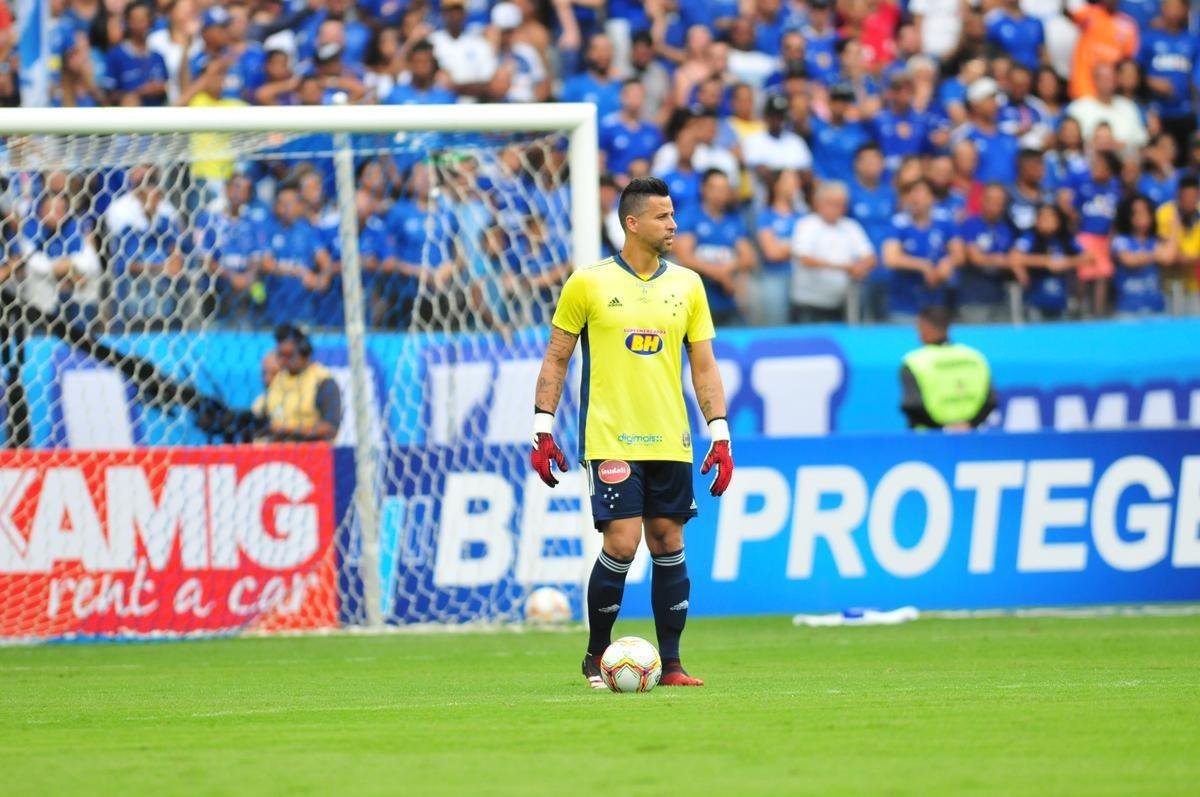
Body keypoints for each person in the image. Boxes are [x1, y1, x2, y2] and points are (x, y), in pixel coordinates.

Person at [529, 176, 732, 689]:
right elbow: (557, 356)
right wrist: (542, 426)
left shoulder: (688, 285)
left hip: (671, 437)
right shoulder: (588, 283)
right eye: (663, 216)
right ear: (632, 222)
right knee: (622, 542)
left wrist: (721, 433)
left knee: (668, 539)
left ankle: (673, 663)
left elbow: (704, 367)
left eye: (673, 214)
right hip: (610, 435)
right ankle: (597, 653)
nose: (674, 225)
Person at [672, 169, 755, 325]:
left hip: (728, 301)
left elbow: (748, 257)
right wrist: (719, 273)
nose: (719, 194)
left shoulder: (734, 219)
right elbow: (684, 257)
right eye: (714, 188)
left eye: (723, 189)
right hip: (696, 301)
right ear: (703, 188)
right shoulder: (689, 216)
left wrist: (726, 270)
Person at [899, 305, 997, 431]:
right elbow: (991, 401)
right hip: (970, 438)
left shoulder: (914, 362)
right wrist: (969, 425)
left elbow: (912, 406)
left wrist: (944, 429)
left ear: (925, 327)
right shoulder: (975, 358)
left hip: (928, 441)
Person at [789, 181, 876, 322]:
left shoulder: (851, 226)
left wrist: (861, 267)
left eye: (841, 204)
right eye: (832, 203)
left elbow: (870, 256)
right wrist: (844, 267)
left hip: (841, 303)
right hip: (809, 304)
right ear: (818, 203)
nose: (838, 209)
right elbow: (805, 259)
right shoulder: (807, 225)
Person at [259, 323, 341, 443]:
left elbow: (330, 428)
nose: (283, 361)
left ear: (304, 352)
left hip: (312, 451)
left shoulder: (322, 381)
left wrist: (287, 430)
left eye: (289, 355)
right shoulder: (277, 379)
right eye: (280, 355)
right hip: (277, 450)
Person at [1013, 203, 1090, 321]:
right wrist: (1045, 262)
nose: (1045, 221)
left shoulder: (1065, 238)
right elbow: (1015, 257)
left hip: (1062, 302)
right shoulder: (1030, 237)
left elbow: (1088, 257)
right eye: (1042, 217)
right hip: (1036, 301)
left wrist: (1065, 262)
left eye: (1050, 217)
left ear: (1058, 220)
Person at [959, 183, 1022, 323]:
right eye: (991, 200)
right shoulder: (970, 224)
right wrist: (1005, 261)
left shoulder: (1008, 228)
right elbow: (975, 258)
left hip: (1000, 297)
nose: (995, 204)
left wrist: (995, 259)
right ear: (982, 200)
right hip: (973, 299)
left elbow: (1017, 258)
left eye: (1000, 201)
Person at [1111, 194, 1169, 317]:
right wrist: (1153, 255)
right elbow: (1129, 261)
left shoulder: (1155, 241)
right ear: (1128, 216)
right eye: (1136, 213)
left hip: (1156, 309)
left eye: (1145, 212)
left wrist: (1175, 224)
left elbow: (1167, 257)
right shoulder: (1121, 240)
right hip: (1127, 310)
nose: (1141, 217)